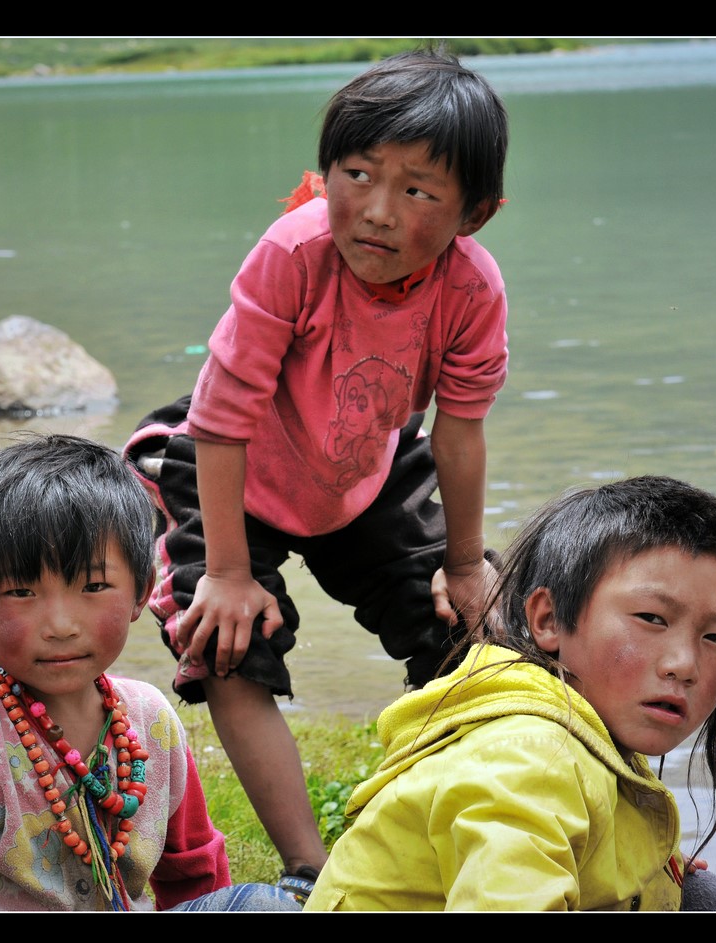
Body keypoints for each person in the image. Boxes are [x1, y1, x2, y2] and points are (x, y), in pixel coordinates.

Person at [124, 47, 510, 892]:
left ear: (473, 213)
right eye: (358, 173)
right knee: (226, 643)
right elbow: (222, 419)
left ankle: (471, 832)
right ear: (326, 170)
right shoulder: (294, 255)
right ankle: (311, 869)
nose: (374, 210)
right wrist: (225, 572)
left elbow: (458, 434)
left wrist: (465, 561)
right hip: (230, 470)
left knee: (478, 638)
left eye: (417, 191)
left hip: (363, 473)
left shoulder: (472, 291)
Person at [0, 434, 300, 912]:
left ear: (141, 591)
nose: (61, 626)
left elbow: (194, 869)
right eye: (22, 592)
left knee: (266, 905)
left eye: (93, 585)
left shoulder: (152, 720)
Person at [304, 475, 716, 911]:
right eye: (652, 618)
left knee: (700, 895)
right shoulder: (532, 759)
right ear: (548, 619)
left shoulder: (590, 724)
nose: (684, 665)